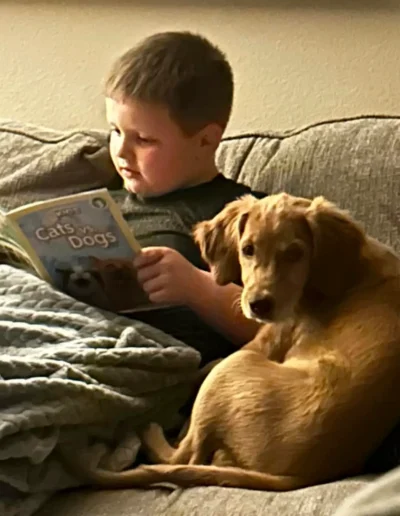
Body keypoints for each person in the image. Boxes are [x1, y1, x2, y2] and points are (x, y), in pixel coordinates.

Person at [105, 31, 265, 365]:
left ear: (206, 140)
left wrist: (197, 287)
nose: (121, 151)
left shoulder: (246, 217)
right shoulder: (99, 205)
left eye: (144, 139)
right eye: (115, 131)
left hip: (149, 364)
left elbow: (294, 330)